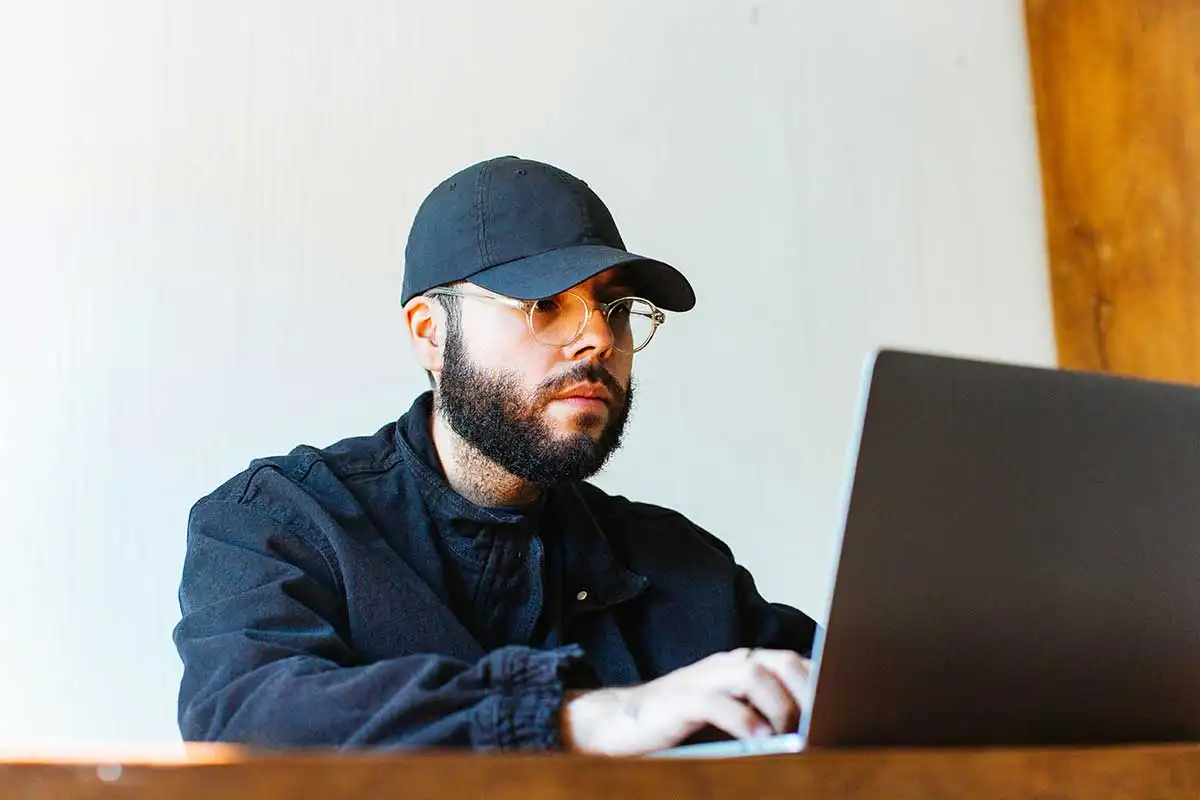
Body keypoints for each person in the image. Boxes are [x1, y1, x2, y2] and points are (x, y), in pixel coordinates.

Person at [173, 156, 818, 755]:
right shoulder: (282, 523)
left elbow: (856, 695)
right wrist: (580, 717)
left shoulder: (681, 568)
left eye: (616, 308)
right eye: (545, 305)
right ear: (431, 333)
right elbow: (246, 716)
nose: (597, 338)